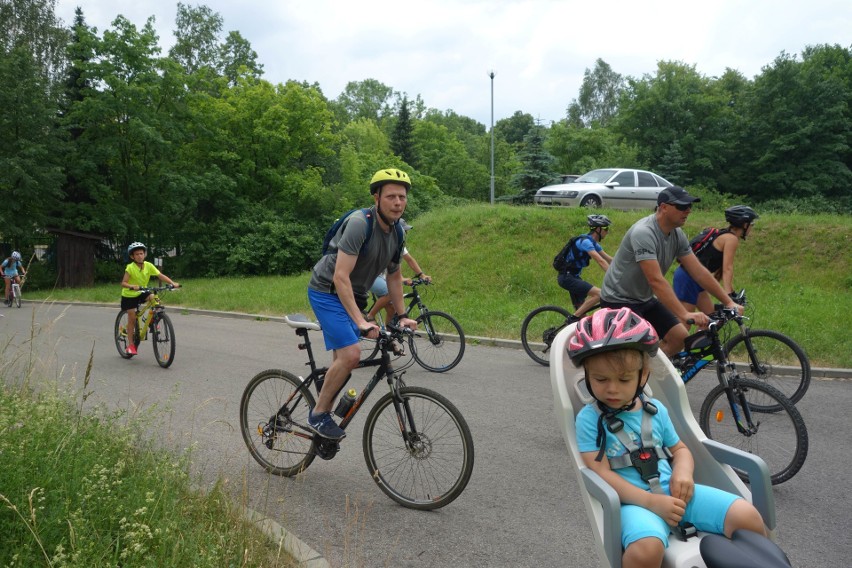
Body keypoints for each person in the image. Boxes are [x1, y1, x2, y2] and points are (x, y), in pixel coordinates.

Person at [569, 307, 766, 568]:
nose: (612, 388)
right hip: (634, 503)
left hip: (676, 492)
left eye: (624, 379)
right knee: (645, 551)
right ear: (587, 378)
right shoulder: (589, 419)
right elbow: (598, 472)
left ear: (644, 375)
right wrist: (650, 501)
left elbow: (680, 449)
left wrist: (682, 473)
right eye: (600, 379)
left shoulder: (655, 410)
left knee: (747, 517)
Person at [307, 168, 418, 439]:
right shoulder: (360, 223)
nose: (397, 202)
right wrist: (360, 321)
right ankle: (318, 415)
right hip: (327, 289)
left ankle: (327, 399)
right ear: (376, 197)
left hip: (354, 294)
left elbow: (394, 276)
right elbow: (340, 276)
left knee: (344, 364)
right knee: (351, 355)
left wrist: (401, 316)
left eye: (402, 197)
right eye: (391, 196)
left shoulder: (398, 233)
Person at [598, 186, 742, 357]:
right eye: (682, 206)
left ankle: (650, 378)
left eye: (690, 206)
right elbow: (655, 280)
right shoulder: (644, 233)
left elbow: (699, 272)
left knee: (679, 338)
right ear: (664, 207)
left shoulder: (677, 234)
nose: (688, 211)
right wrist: (684, 313)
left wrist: (728, 302)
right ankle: (637, 377)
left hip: (644, 299)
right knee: (636, 350)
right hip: (619, 300)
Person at [673, 205, 760, 315]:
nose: (752, 227)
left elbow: (722, 270)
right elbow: (727, 268)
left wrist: (731, 293)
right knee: (685, 323)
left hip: (697, 278)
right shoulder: (731, 239)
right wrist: (729, 296)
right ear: (744, 224)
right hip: (688, 278)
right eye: (751, 224)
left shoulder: (724, 234)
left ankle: (703, 333)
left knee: (711, 316)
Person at [366, 218, 431, 324]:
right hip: (370, 275)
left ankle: (387, 336)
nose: (406, 233)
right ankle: (370, 316)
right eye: (404, 230)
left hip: (381, 276)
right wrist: (401, 279)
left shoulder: (399, 244)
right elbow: (391, 266)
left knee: (392, 308)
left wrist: (421, 275)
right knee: (389, 293)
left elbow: (409, 260)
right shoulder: (386, 241)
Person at [120, 242, 180, 356]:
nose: (139, 256)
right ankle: (131, 345)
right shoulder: (130, 268)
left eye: (141, 253)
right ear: (132, 256)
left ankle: (154, 319)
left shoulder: (148, 265)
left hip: (142, 291)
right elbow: (123, 283)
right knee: (132, 318)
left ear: (145, 254)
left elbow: (160, 275)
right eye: (137, 254)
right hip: (129, 294)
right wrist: (132, 286)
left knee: (154, 298)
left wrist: (172, 283)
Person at [556, 214, 613, 320]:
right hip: (567, 278)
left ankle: (576, 325)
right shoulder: (585, 242)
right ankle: (572, 318)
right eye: (606, 228)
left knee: (583, 318)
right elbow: (600, 260)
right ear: (598, 229)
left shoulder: (593, 243)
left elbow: (609, 259)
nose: (607, 231)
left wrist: (625, 268)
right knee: (600, 294)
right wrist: (613, 276)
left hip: (573, 277)